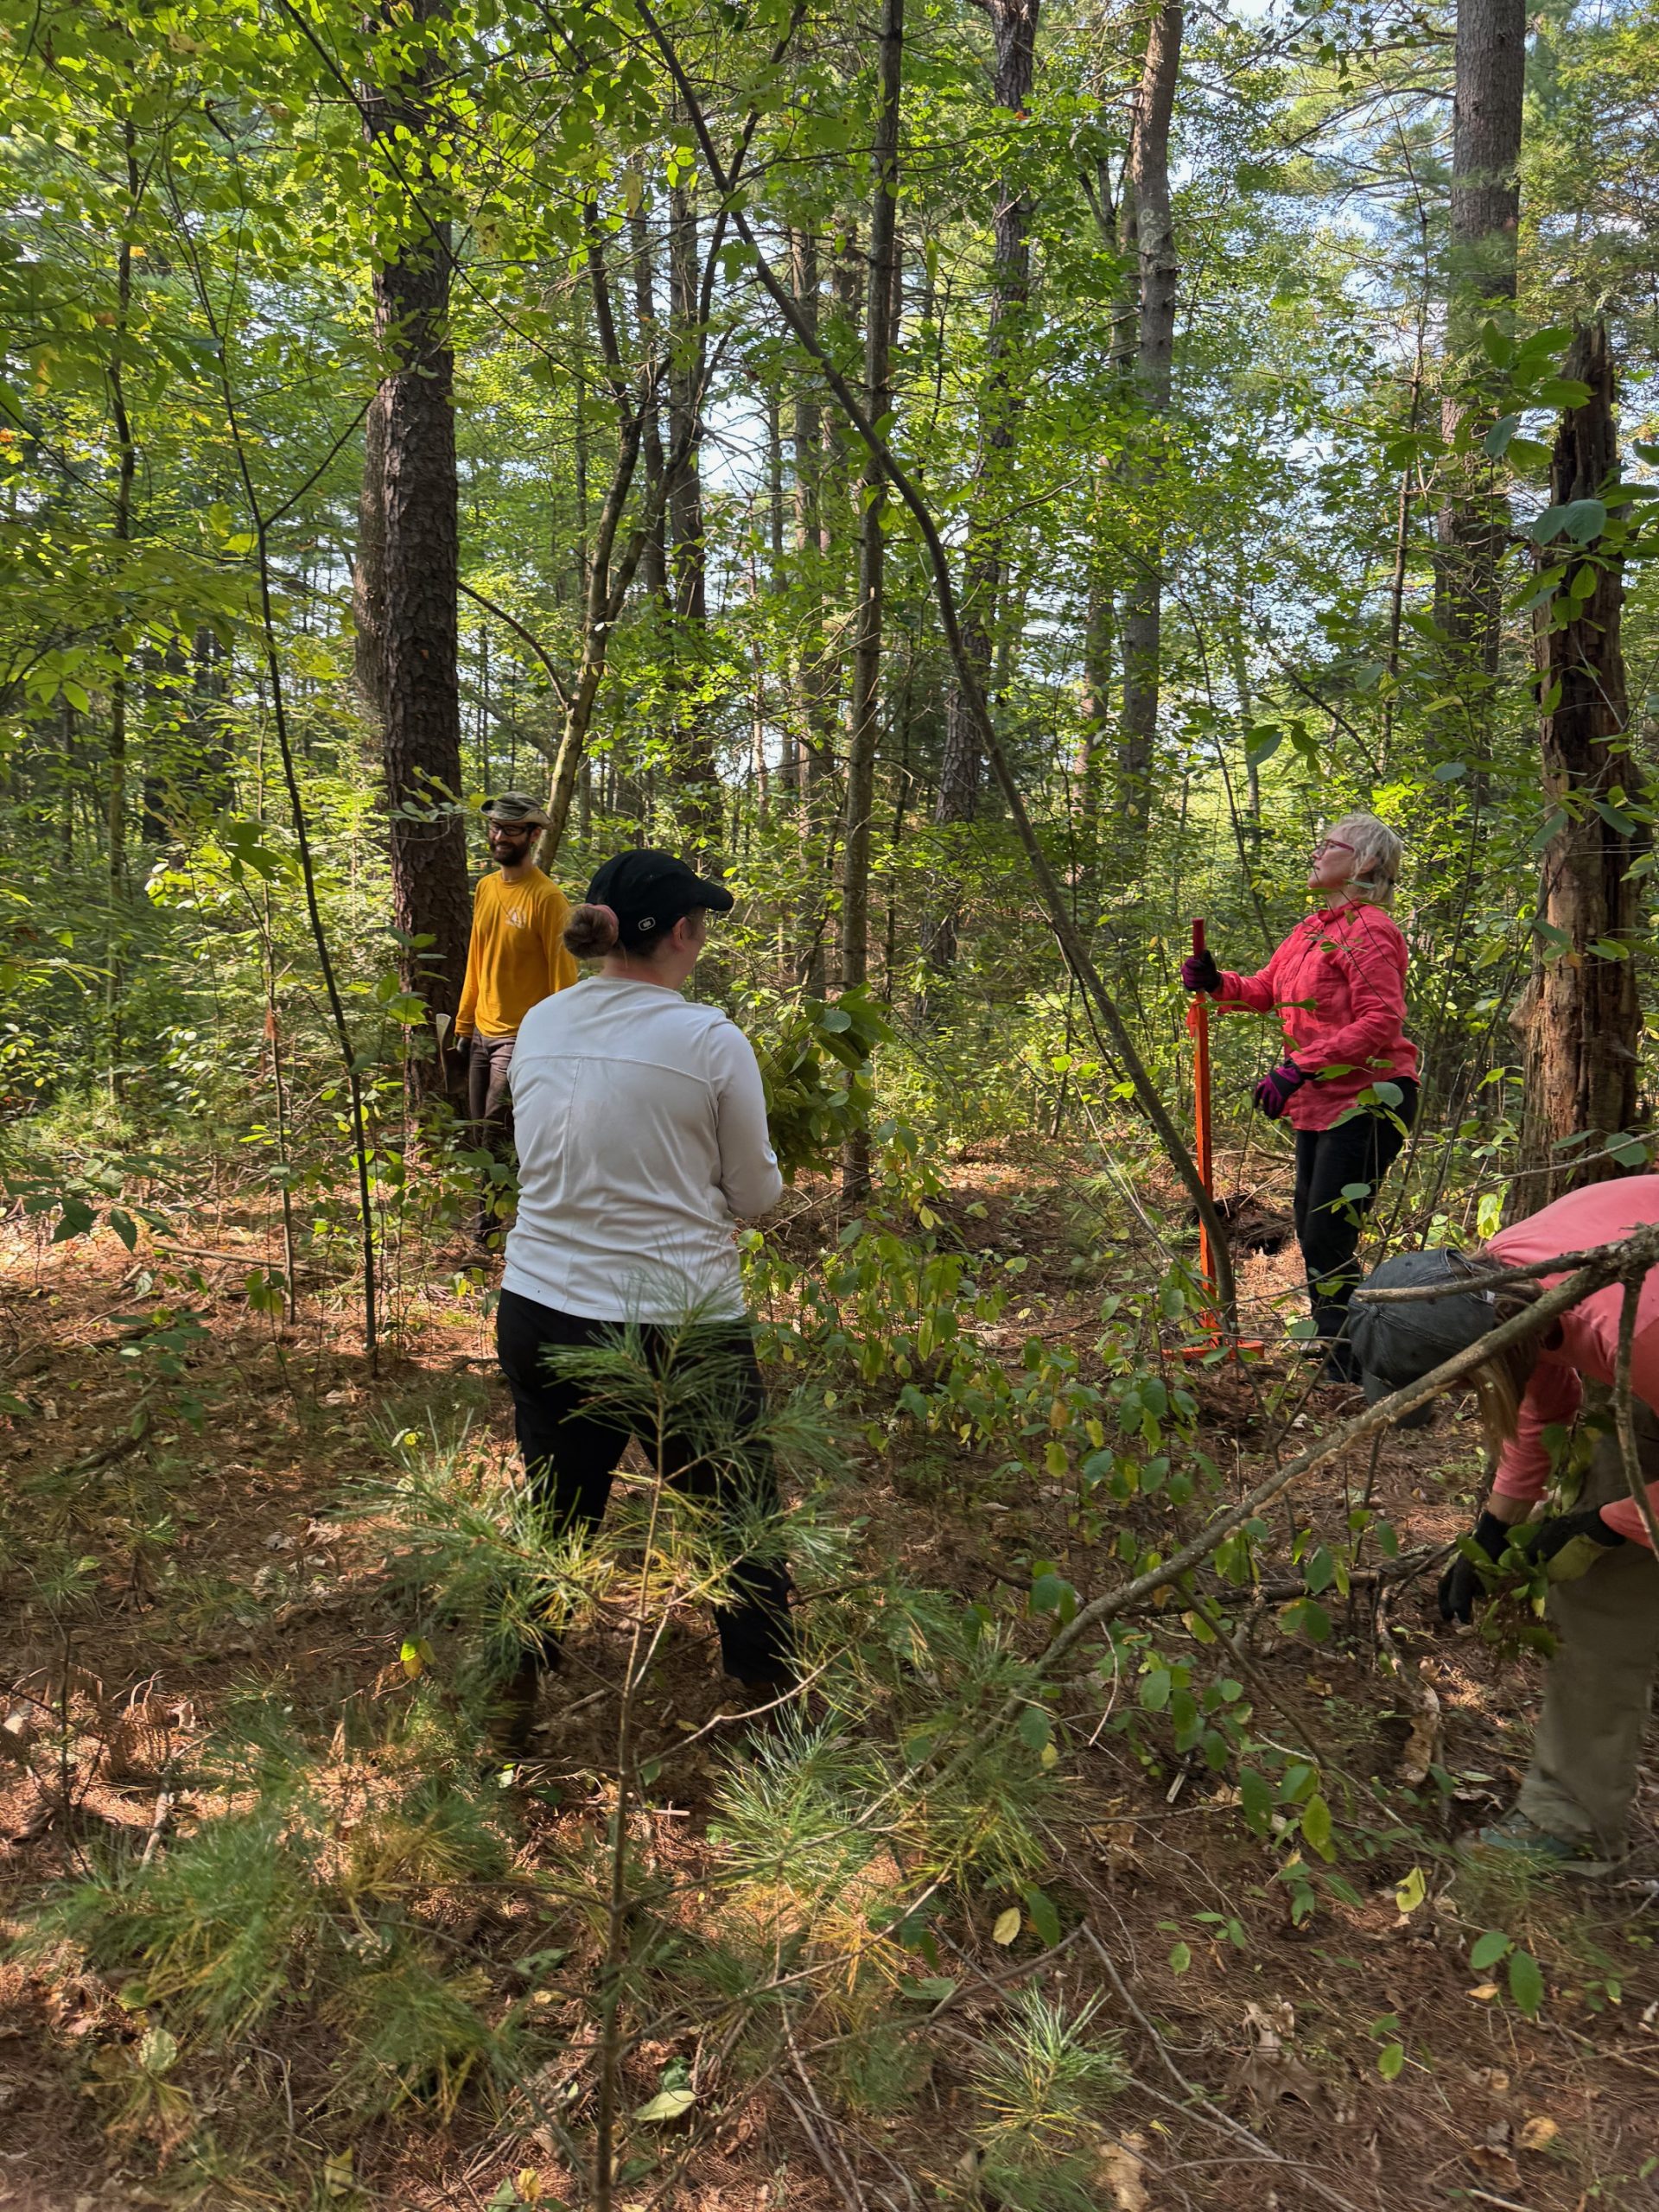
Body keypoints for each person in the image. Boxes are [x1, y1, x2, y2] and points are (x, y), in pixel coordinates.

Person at [490, 847, 793, 1752]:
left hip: (539, 1304)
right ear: (679, 936)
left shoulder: (541, 1023)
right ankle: (765, 1698)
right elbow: (756, 1195)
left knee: (556, 1504)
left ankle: (511, 1690)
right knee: (737, 1504)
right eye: (700, 925)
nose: (702, 941)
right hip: (679, 1320)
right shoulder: (709, 1040)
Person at [1350, 1176, 1659, 1867]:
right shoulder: (1510, 1275)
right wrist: (1494, 1529)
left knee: (1603, 1585)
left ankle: (1571, 1828)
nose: (1460, 1400)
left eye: (1460, 1385)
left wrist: (1607, 1525)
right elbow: (1538, 1387)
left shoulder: (1630, 1329)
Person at [1181, 812, 1419, 1380]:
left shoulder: (1371, 930)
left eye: (1327, 845)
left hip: (1370, 1100)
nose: (1315, 853)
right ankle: (1343, 1353)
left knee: (1325, 1235)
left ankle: (1353, 1365)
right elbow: (1266, 989)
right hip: (1320, 1102)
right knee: (1316, 1234)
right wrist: (1219, 983)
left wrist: (1300, 1068)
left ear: (1362, 863)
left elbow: (1381, 1019)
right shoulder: (1312, 930)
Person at [454, 792, 578, 1243]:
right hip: (482, 1032)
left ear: (534, 834)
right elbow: (475, 959)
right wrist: (465, 1024)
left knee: (495, 1133)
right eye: (494, 828)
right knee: (479, 1136)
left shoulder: (548, 899)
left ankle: (491, 1231)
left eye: (510, 829)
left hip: (522, 1040)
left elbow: (563, 979)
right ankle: (493, 1217)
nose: (499, 837)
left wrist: (558, 1044)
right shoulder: (486, 888)